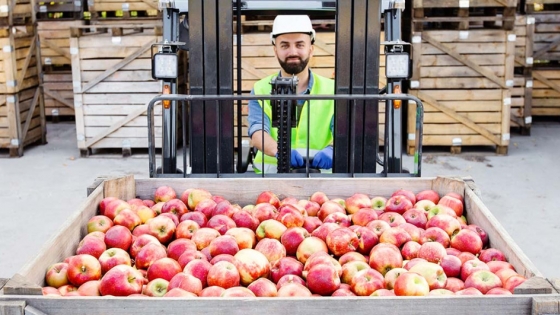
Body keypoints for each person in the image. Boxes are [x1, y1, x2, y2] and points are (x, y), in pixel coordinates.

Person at [247, 15, 335, 174]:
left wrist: (334, 149)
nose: (293, 52)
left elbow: (345, 132)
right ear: (275, 50)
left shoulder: (333, 90)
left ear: (311, 49)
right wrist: (280, 152)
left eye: (300, 45)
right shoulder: (260, 89)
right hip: (269, 180)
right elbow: (257, 132)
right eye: (285, 45)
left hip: (321, 180)